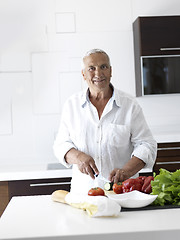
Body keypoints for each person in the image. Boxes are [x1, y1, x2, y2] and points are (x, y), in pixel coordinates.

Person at [53, 49, 157, 194]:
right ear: (83, 74)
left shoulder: (130, 105)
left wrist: (127, 171)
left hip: (123, 192)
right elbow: (60, 145)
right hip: (84, 194)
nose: (98, 73)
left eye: (103, 67)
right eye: (91, 68)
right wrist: (78, 157)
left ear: (110, 71)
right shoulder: (71, 105)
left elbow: (147, 145)